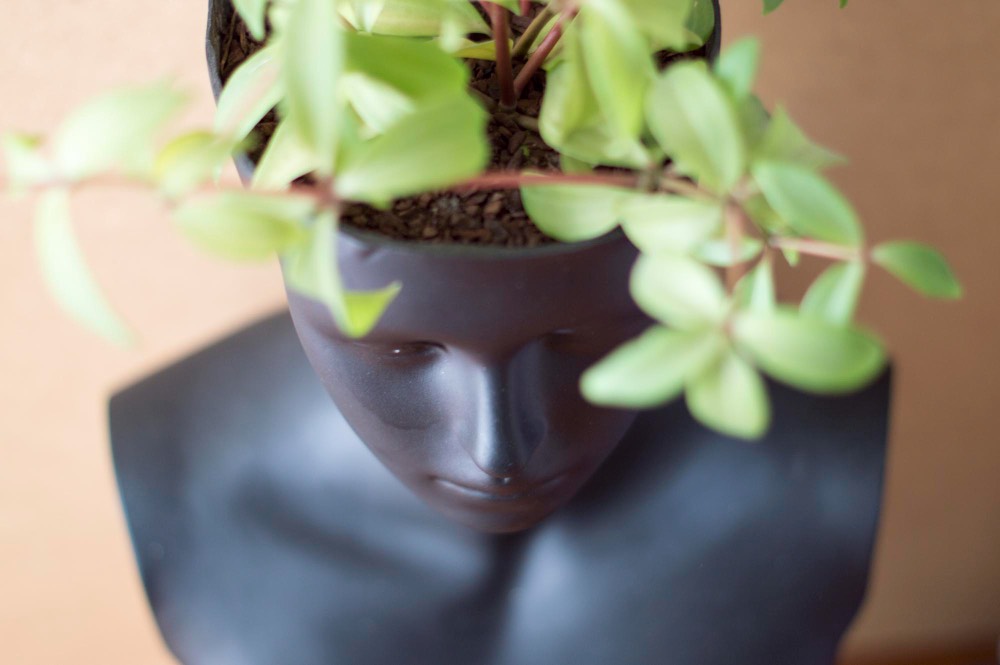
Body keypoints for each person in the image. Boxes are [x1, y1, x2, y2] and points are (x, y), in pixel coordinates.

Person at [111, 228, 891, 665]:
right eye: (401, 351)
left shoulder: (824, 463)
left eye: (575, 338)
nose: (499, 451)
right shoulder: (176, 476)